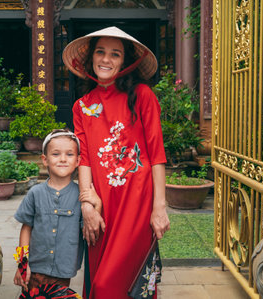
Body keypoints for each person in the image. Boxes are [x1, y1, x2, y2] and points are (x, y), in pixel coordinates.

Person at [62, 26, 170, 298]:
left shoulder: (142, 95)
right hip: (102, 205)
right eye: (100, 52)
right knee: (98, 279)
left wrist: (159, 207)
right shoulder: (82, 106)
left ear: (125, 62)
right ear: (91, 58)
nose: (106, 60)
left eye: (115, 54)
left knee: (111, 284)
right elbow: (83, 157)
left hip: (137, 203)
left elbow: (157, 154)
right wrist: (87, 202)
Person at [13, 129, 84, 292]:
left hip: (64, 271)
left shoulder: (81, 196)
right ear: (45, 160)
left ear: (78, 160)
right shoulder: (35, 193)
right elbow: (26, 229)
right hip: (35, 270)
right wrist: (22, 265)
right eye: (56, 154)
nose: (63, 159)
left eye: (70, 154)